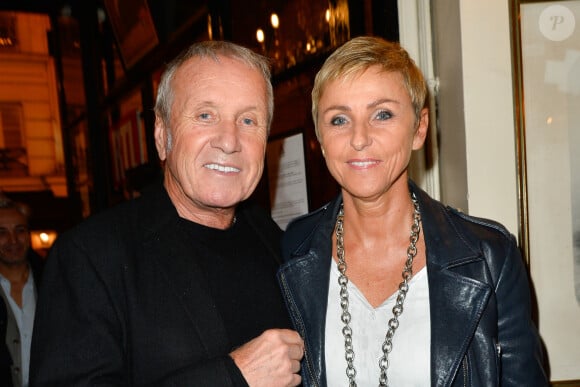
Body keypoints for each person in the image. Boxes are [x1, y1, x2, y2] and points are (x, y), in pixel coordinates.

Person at [30, 40, 304, 387]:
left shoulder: (279, 243)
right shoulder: (92, 258)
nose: (229, 140)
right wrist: (231, 377)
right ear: (162, 135)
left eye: (248, 120)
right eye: (206, 115)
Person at [277, 36, 547, 386]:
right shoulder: (292, 249)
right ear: (320, 137)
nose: (359, 138)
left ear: (419, 128)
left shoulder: (488, 256)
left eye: (382, 114)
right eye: (339, 120)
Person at [0, 195, 43, 387]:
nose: (13, 240)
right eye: (2, 233)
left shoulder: (52, 283)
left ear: (28, 234)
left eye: (20, 230)